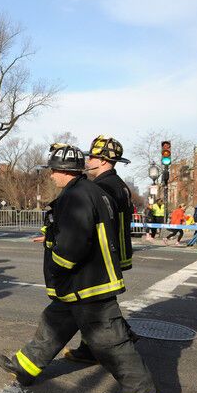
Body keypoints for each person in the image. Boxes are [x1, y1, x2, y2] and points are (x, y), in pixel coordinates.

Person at [0, 144, 168, 393]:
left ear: (63, 171)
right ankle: (25, 368)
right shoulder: (91, 190)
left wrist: (56, 263)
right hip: (82, 285)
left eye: (52, 170)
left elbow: (72, 246)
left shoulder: (75, 197)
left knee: (115, 350)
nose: (50, 175)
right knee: (53, 322)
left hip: (89, 287)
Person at [63, 135, 135, 365]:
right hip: (115, 252)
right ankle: (89, 347)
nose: (88, 159)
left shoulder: (102, 186)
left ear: (104, 161)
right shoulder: (119, 184)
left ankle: (123, 338)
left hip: (101, 254)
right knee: (97, 303)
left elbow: (94, 223)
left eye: (92, 156)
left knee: (93, 303)